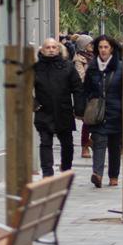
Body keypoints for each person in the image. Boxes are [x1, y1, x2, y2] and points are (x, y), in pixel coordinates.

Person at [33, 38, 83, 177]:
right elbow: (24, 88)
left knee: (67, 144)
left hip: (64, 110)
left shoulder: (67, 66)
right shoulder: (36, 68)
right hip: (44, 111)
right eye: (47, 47)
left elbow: (77, 88)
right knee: (45, 143)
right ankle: (47, 173)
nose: (51, 50)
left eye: (53, 47)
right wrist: (34, 104)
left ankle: (66, 168)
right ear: (42, 50)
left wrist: (78, 109)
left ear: (58, 49)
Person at [83, 35, 123, 188]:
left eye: (106, 47)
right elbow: (86, 89)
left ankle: (113, 176)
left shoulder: (120, 67)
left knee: (114, 146)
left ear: (111, 48)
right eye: (100, 47)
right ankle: (97, 174)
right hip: (98, 113)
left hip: (116, 112)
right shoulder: (93, 67)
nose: (103, 50)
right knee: (99, 142)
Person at [72, 34, 95, 158]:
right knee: (87, 121)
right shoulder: (78, 59)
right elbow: (81, 78)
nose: (92, 45)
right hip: (85, 94)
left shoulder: (95, 56)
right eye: (90, 44)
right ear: (84, 46)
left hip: (96, 92)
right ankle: (84, 146)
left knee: (99, 119)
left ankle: (92, 140)